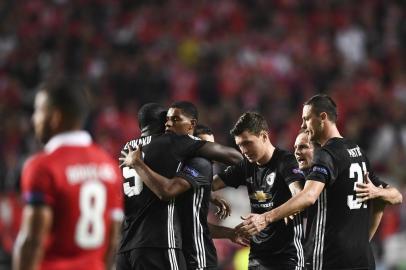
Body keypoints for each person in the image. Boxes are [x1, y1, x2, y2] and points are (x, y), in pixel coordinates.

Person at [239, 94, 403, 270]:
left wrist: (265, 218)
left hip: (328, 259)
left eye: (306, 119)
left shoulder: (326, 155)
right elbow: (394, 197)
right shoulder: (357, 152)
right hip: (362, 259)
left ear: (323, 117)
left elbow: (309, 196)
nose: (303, 125)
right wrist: (377, 196)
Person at [116, 102, 243, 270]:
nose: (170, 124)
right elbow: (235, 158)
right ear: (163, 122)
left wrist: (207, 193)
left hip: (125, 248)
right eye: (168, 120)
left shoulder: (127, 149)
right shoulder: (172, 141)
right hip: (159, 243)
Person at [12, 81, 124, 270]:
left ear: (55, 117)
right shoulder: (110, 167)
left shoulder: (42, 166)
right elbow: (113, 241)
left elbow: (33, 242)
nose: (34, 119)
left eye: (38, 110)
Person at [293, 129, 403, 269]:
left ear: (319, 153)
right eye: (295, 148)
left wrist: (376, 192)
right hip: (353, 257)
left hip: (328, 258)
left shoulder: (332, 174)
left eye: (303, 147)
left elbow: (396, 196)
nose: (297, 152)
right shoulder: (304, 175)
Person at [211, 112, 305, 270]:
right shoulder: (245, 166)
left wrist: (268, 217)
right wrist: (211, 197)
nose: (244, 150)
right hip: (257, 259)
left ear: (263, 136)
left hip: (288, 257)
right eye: (240, 145)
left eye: (247, 143)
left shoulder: (285, 161)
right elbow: (207, 185)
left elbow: (300, 195)